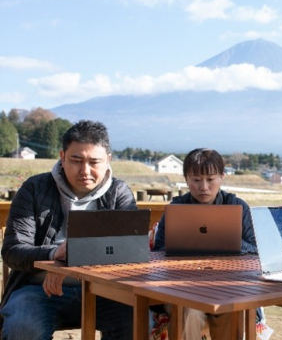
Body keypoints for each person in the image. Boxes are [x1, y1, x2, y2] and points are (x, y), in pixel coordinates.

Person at [0, 120, 137, 340]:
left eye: (94, 162)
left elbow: (130, 251)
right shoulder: (34, 189)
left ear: (108, 161)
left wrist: (64, 265)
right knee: (23, 328)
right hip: (38, 289)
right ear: (62, 157)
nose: (85, 171)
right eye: (76, 160)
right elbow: (13, 251)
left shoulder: (119, 193)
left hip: (104, 289)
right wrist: (54, 254)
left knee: (140, 322)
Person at [152, 148, 258, 340]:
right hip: (182, 288)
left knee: (231, 310)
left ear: (222, 177)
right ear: (186, 179)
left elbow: (255, 250)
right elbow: (158, 253)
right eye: (196, 180)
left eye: (210, 179)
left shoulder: (237, 206)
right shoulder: (176, 209)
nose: (204, 187)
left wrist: (229, 242)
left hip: (227, 286)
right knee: (189, 311)